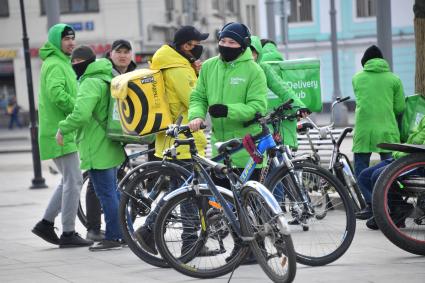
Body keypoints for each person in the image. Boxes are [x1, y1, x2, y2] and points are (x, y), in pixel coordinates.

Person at [188, 22, 268, 264]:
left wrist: (228, 110)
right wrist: (197, 115)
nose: (226, 46)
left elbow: (258, 106)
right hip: (221, 147)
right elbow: (198, 96)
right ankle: (242, 247)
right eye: (223, 41)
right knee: (226, 203)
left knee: (250, 201)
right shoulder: (210, 67)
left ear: (242, 45)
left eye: (232, 43)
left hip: (247, 146)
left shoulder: (254, 70)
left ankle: (259, 247)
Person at [134, 25, 209, 255]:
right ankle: (189, 243)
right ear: (187, 45)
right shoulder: (178, 69)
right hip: (183, 140)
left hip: (174, 139)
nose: (199, 49)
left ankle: (148, 232)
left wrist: (193, 72)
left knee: (178, 192)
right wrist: (200, 77)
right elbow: (193, 99)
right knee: (189, 196)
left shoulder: (176, 64)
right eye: (197, 44)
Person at [56, 45, 126, 251]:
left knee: (107, 194)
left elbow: (81, 114)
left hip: (97, 145)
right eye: (73, 63)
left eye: (77, 62)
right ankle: (126, 233)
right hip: (109, 142)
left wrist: (63, 128)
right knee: (114, 193)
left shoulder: (89, 83)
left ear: (86, 62)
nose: (75, 66)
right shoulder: (105, 77)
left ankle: (115, 236)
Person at [32, 24, 92, 248]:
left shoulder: (61, 62)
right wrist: (78, 110)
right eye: (66, 39)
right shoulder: (55, 64)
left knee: (69, 180)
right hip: (59, 131)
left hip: (63, 130)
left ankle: (46, 223)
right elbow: (57, 94)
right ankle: (68, 233)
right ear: (56, 40)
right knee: (74, 180)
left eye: (73, 39)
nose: (71, 43)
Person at [84, 39, 137, 242]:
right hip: (106, 133)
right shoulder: (106, 74)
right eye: (118, 51)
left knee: (111, 186)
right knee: (99, 184)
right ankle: (95, 227)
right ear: (110, 54)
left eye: (127, 51)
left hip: (123, 131)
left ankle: (120, 231)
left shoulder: (132, 74)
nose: (123, 55)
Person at [355, 116, 425, 230]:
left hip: (417, 161)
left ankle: (389, 214)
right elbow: (412, 140)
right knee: (364, 176)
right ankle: (393, 209)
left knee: (378, 175)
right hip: (404, 157)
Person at [352, 45, 405, 179]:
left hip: (363, 131)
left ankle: (364, 197)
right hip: (387, 130)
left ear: (365, 62)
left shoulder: (357, 78)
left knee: (361, 170)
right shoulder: (394, 79)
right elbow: (400, 108)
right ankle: (390, 197)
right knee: (391, 171)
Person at [250, 36, 310, 149]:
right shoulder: (281, 65)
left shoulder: (262, 67)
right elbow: (284, 89)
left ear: (260, 52)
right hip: (284, 123)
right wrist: (299, 106)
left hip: (259, 125)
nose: (251, 57)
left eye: (253, 53)